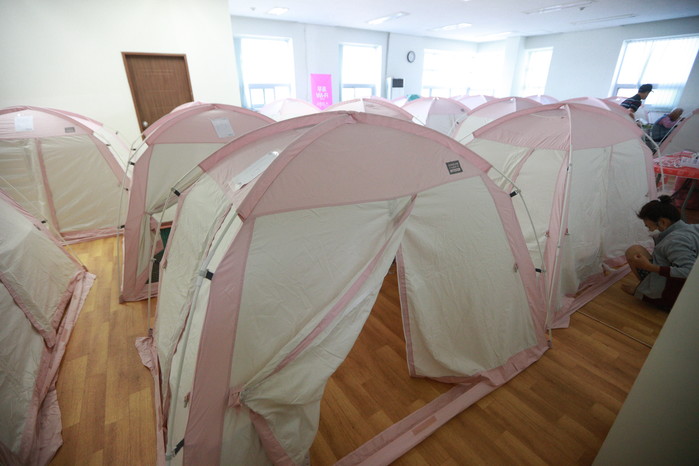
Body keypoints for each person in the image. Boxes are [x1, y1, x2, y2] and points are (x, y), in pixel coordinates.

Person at [622, 195, 699, 310]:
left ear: (663, 222)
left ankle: (651, 294)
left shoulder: (675, 241)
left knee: (633, 251)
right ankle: (647, 287)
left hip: (685, 292)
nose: (650, 230)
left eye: (650, 227)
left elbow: (689, 272)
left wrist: (649, 266)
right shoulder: (693, 228)